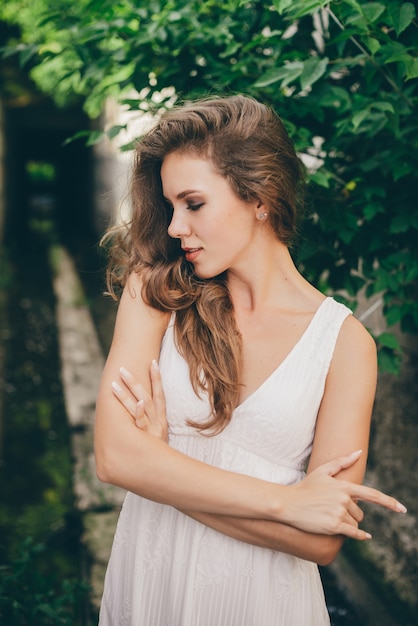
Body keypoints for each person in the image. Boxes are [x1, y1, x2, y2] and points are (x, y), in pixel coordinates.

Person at [95, 94, 406, 626]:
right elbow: (116, 459)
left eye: (193, 204)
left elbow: (323, 539)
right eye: (170, 207)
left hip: (265, 601)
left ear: (260, 196)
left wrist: (161, 465)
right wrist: (285, 503)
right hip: (153, 576)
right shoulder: (157, 292)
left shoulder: (346, 345)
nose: (174, 227)